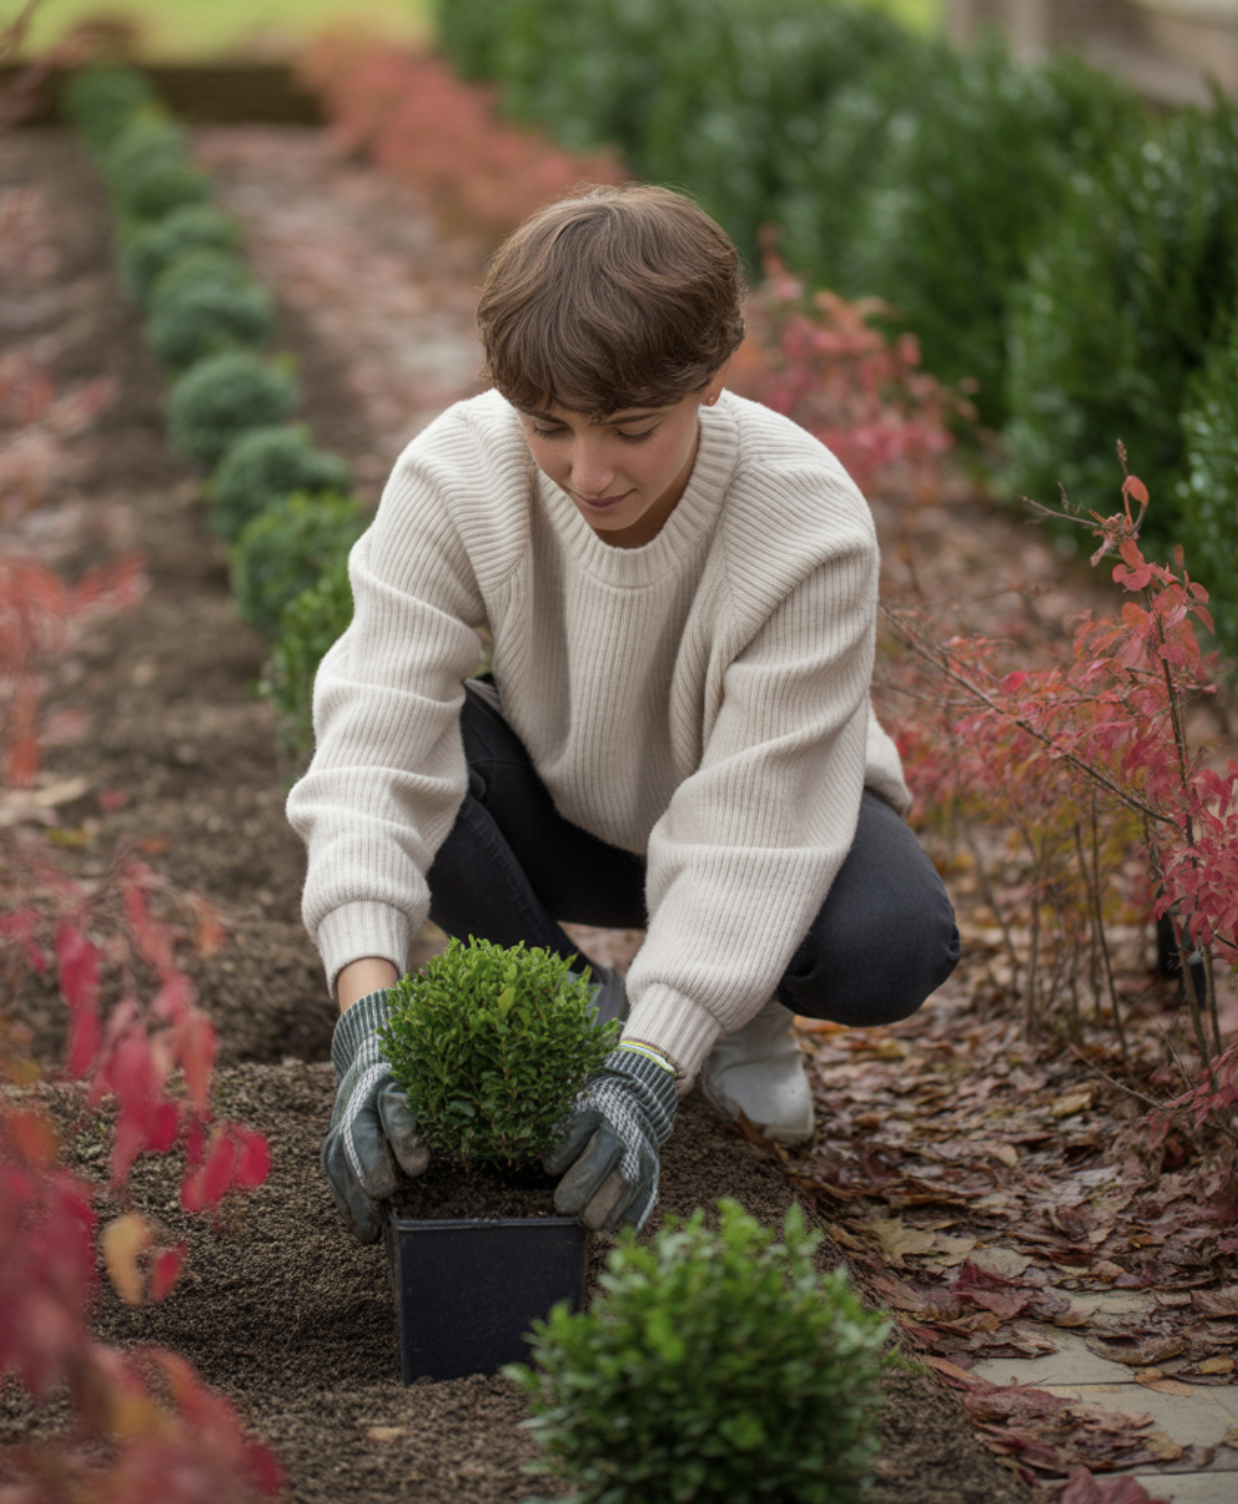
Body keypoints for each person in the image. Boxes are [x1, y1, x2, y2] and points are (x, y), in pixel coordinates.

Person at [287, 184, 960, 1245]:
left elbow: (759, 820)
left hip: (768, 818)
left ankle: (736, 1018)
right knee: (405, 732)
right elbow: (371, 745)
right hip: (564, 805)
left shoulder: (806, 520)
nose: (586, 473)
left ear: (706, 382)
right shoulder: (456, 473)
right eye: (547, 427)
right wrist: (366, 1013)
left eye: (630, 430)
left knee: (889, 940)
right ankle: (582, 1010)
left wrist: (660, 1065)